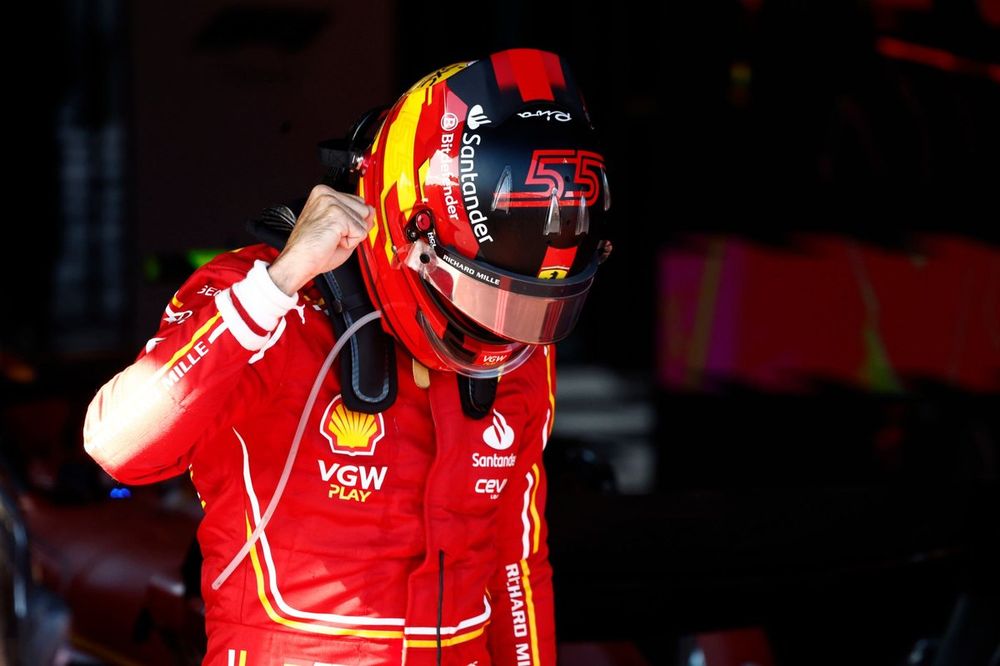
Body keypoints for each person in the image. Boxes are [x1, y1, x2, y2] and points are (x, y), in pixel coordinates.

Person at [84, 48, 611, 666]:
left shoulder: (519, 349)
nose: (507, 325)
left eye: (528, 305)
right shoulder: (266, 301)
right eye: (485, 290)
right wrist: (274, 285)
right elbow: (117, 448)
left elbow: (516, 564)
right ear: (409, 223)